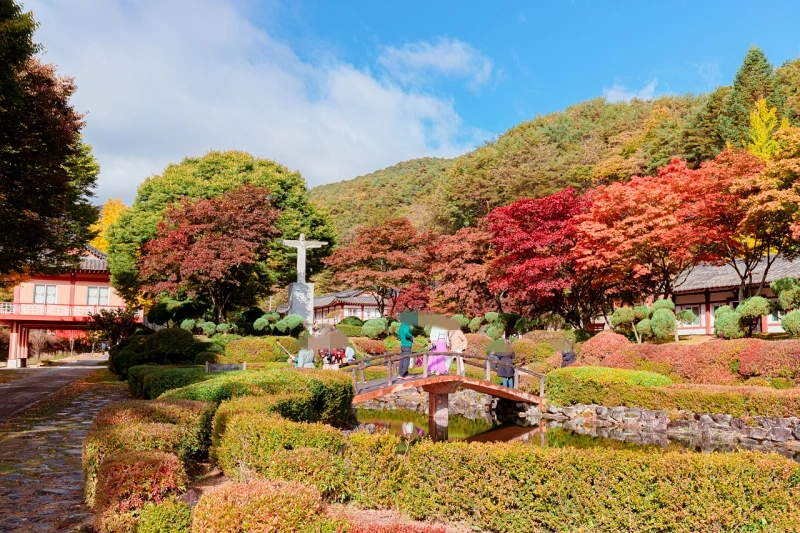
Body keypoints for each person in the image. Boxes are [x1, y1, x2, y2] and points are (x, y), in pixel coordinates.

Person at [398, 313, 416, 379]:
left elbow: (399, 334)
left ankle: (400, 374)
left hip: (402, 344)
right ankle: (404, 374)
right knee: (406, 359)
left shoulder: (401, 325)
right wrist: (411, 337)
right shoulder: (406, 324)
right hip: (407, 344)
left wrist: (402, 339)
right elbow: (406, 332)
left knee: (402, 359)